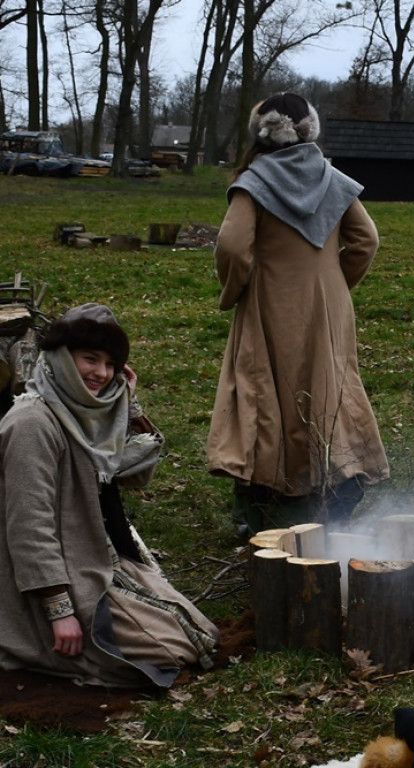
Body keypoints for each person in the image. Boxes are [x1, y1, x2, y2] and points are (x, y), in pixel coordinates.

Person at [0, 303, 219, 688]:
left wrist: (128, 406)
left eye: (111, 364)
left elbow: (137, 474)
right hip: (51, 577)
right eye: (90, 359)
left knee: (201, 632)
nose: (101, 373)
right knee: (175, 651)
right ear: (62, 357)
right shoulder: (32, 423)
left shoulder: (87, 413)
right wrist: (60, 612)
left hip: (96, 555)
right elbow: (29, 529)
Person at [207, 92, 389, 537]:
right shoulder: (332, 178)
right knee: (328, 387)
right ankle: (332, 491)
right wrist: (333, 285)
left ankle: (266, 502)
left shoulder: (254, 182)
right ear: (309, 130)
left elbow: (232, 247)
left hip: (271, 301)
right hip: (328, 305)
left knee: (268, 391)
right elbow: (367, 241)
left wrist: (238, 289)